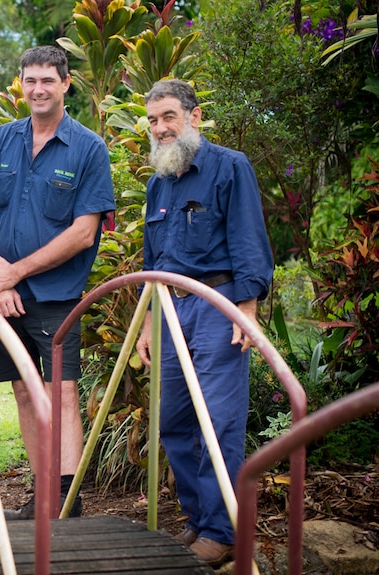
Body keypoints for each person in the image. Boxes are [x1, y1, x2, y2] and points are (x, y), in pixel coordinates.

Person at [0, 46, 116, 520]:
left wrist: (18, 272)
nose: (37, 89)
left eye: (47, 80)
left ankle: (66, 505)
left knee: (62, 393)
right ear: (21, 84)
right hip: (3, 295)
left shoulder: (88, 148)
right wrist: (0, 281)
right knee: (23, 391)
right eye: (30, 80)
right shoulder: (3, 139)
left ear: (66, 83)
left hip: (56, 297)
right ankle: (43, 494)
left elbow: (83, 232)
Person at [135, 79, 273, 566]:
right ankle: (198, 520)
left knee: (218, 421)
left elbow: (248, 240)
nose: (160, 127)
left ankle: (222, 530)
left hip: (218, 305)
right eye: (153, 120)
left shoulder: (229, 167)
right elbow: (153, 259)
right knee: (173, 419)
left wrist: (247, 308)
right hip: (169, 308)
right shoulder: (159, 182)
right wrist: (149, 321)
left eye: (168, 116)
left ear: (194, 117)